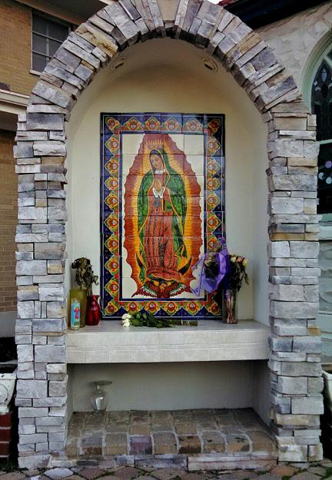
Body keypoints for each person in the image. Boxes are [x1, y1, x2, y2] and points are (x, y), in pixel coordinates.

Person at [134, 148, 191, 298]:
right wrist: (152, 192)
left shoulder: (175, 178)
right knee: (152, 243)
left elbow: (181, 199)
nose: (154, 163)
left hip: (170, 216)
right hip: (152, 216)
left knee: (170, 243)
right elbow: (141, 200)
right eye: (152, 161)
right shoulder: (148, 178)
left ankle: (170, 273)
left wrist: (164, 190)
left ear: (163, 159)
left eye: (157, 159)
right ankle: (154, 271)